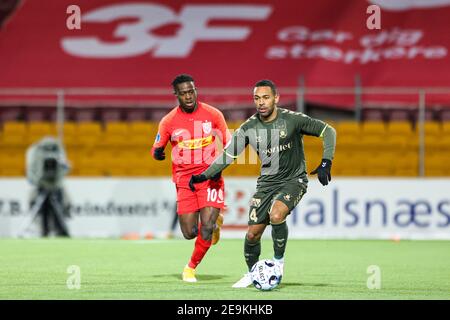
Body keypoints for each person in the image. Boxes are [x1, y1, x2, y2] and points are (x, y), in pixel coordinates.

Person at [190, 79, 336, 288]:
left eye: (266, 97)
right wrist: (204, 176)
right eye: (257, 98)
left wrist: (326, 161)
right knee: (252, 234)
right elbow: (228, 155)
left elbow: (328, 131)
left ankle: (278, 263)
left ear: (276, 98)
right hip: (266, 184)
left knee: (276, 215)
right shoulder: (249, 128)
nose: (261, 102)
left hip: (293, 179)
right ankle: (253, 273)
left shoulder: (292, 120)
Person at [151, 74, 231, 283]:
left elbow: (230, 144)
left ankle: (190, 268)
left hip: (210, 177)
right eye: (184, 93)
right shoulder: (168, 121)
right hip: (185, 181)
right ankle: (215, 224)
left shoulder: (213, 114)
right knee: (189, 232)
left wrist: (221, 165)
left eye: (191, 91)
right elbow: (156, 147)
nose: (189, 96)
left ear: (196, 90)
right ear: (176, 95)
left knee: (205, 227)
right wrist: (158, 153)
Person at [25, 136, 71, 237]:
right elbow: (31, 171)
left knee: (59, 211)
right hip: (42, 187)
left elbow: (65, 167)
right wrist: (37, 179)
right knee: (44, 212)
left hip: (56, 187)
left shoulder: (59, 152)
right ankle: (45, 232)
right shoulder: (35, 152)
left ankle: (60, 232)